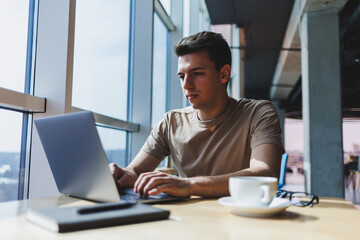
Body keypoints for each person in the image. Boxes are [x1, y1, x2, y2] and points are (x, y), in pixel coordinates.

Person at [109, 31, 283, 198]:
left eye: (197, 74)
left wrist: (187, 184)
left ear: (224, 74)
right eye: (181, 76)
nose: (186, 85)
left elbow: (265, 174)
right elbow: (135, 171)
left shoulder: (258, 113)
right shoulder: (171, 122)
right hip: (189, 220)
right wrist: (120, 175)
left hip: (241, 217)